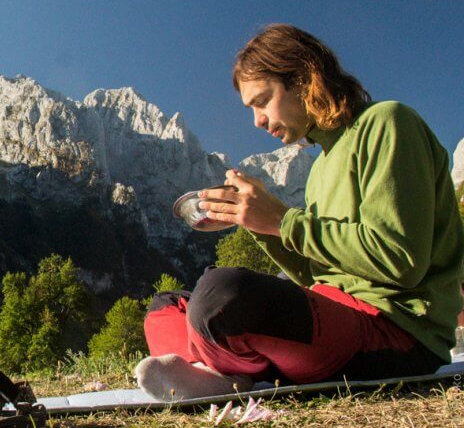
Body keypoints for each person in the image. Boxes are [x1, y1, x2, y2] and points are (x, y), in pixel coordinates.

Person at [137, 24, 464, 400]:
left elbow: (399, 261)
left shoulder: (387, 123)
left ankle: (222, 366)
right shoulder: (322, 167)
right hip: (335, 318)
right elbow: (314, 275)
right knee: (167, 305)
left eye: (262, 101)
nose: (257, 120)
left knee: (221, 295)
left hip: (393, 330)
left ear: (305, 78)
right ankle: (225, 369)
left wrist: (280, 220)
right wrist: (259, 224)